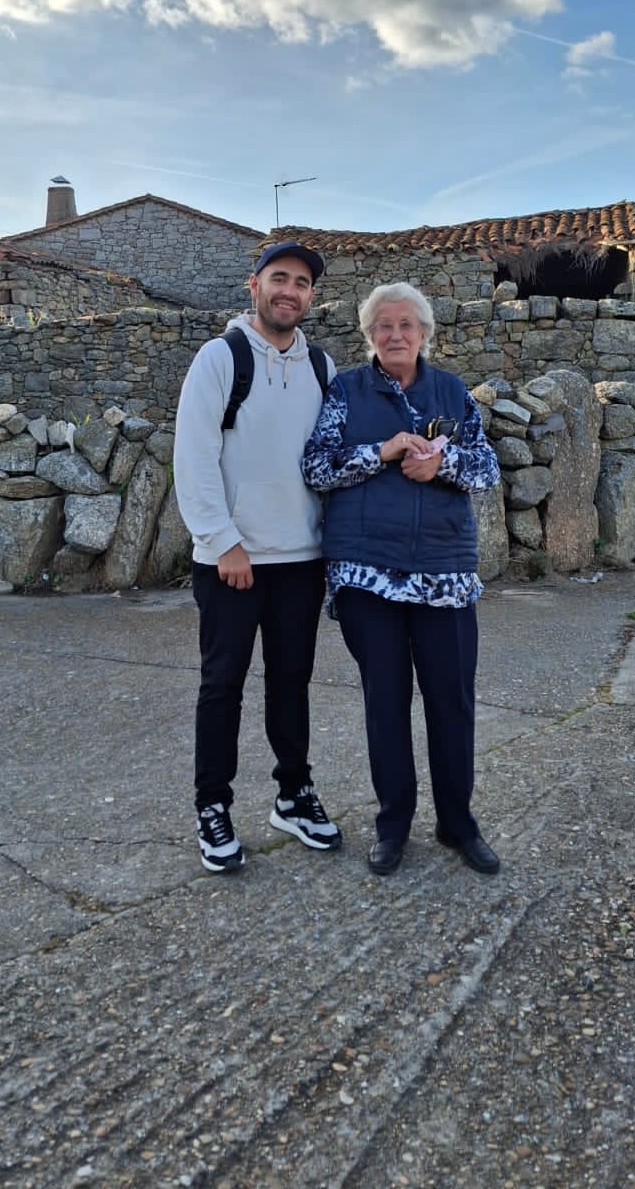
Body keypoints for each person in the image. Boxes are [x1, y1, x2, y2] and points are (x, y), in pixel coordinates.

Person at [302, 281, 501, 878]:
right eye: (383, 326)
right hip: (368, 576)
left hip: (444, 574)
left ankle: (457, 823)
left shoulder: (452, 392)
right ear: (369, 335)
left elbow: (487, 468)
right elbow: (316, 466)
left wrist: (444, 462)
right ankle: (393, 825)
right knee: (385, 703)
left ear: (424, 334)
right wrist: (382, 452)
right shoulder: (346, 390)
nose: (394, 335)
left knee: (451, 702)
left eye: (406, 325)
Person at [174, 239, 342, 873]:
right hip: (232, 561)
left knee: (291, 682)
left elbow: (330, 459)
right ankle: (212, 806)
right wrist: (223, 542)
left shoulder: (322, 367)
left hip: (301, 559)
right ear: (254, 285)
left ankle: (293, 795)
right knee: (222, 686)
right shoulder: (221, 358)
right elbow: (193, 457)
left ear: (311, 296)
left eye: (301, 282)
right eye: (279, 278)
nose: (289, 291)